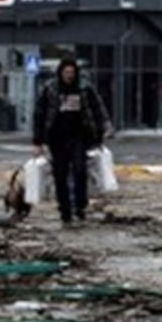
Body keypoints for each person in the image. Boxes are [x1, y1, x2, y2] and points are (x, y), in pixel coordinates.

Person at [33, 56, 112, 226]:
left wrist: (103, 127)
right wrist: (37, 141)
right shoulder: (50, 89)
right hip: (57, 138)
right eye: (66, 72)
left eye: (72, 72)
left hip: (79, 136)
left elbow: (97, 108)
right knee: (60, 175)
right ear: (60, 73)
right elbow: (39, 114)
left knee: (79, 170)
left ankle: (80, 206)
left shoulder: (84, 88)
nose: (69, 75)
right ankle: (65, 209)